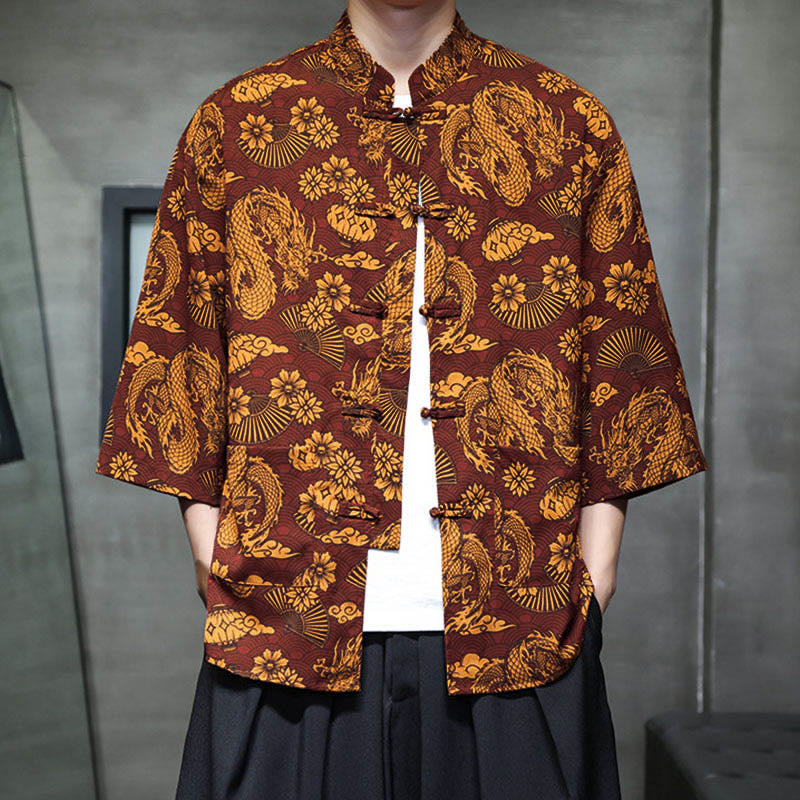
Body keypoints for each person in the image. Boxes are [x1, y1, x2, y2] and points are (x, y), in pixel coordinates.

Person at [95, 1, 708, 797]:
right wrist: (217, 559)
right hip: (286, 626)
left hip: (522, 629)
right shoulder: (240, 122)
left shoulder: (565, 121)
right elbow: (178, 357)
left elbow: (627, 366)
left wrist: (596, 576)